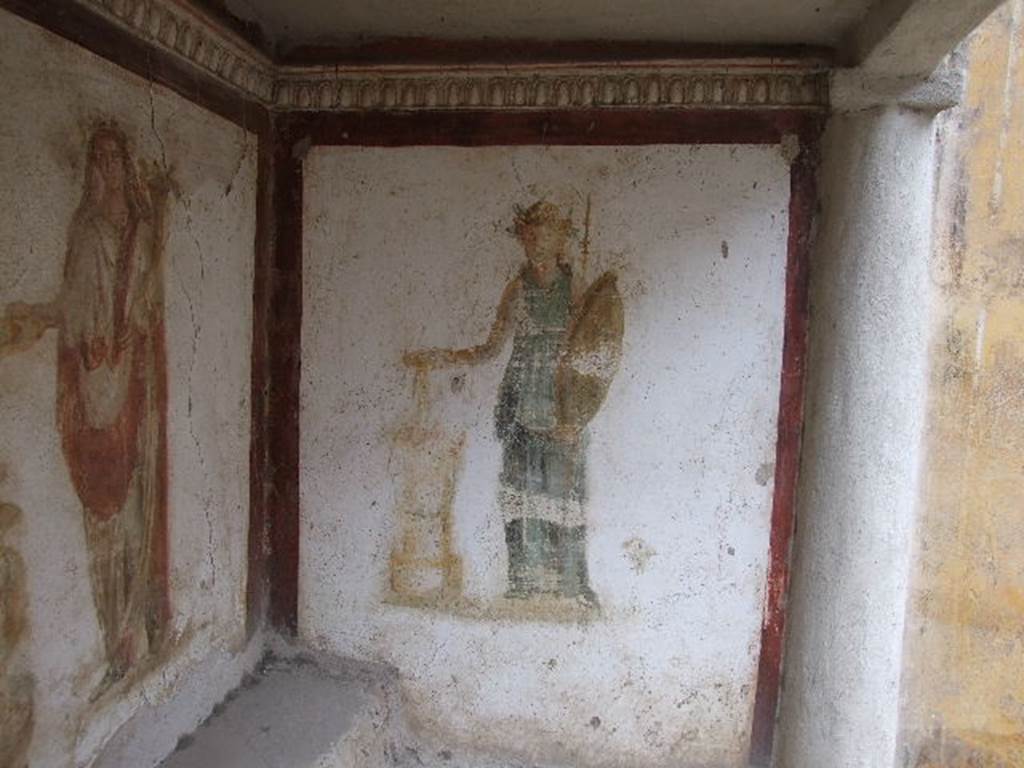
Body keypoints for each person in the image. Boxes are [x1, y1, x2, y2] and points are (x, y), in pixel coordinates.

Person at [1, 123, 173, 686]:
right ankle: (114, 646)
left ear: (125, 164)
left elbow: (147, 306)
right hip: (94, 396)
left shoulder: (141, 232)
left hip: (133, 393)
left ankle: (141, 628)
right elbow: (75, 310)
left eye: (113, 159)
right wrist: (47, 323)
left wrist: (126, 335)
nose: (106, 171)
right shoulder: (84, 230)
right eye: (97, 162)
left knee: (137, 518)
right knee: (103, 524)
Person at [404, 201, 601, 605]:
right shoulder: (518, 287)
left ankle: (569, 584)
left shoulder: (575, 285)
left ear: (561, 238)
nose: (536, 242)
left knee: (564, 493)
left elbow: (591, 345)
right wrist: (447, 357)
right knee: (521, 490)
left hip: (562, 400)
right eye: (529, 235)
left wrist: (579, 409)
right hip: (520, 398)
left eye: (545, 234)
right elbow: (492, 348)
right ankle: (527, 580)